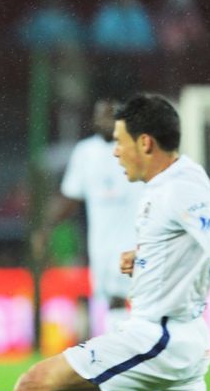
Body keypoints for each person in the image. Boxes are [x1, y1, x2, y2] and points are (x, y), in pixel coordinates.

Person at [9, 94, 210, 391]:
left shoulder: (179, 188)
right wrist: (144, 257)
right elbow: (186, 242)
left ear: (145, 143)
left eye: (120, 142)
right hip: (174, 340)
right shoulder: (172, 179)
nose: (116, 152)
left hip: (159, 338)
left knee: (34, 386)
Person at [34, 99, 141, 335]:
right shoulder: (85, 152)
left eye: (110, 116)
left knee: (119, 299)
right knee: (109, 300)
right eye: (101, 115)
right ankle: (122, 351)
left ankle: (122, 354)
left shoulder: (136, 149)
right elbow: (70, 197)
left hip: (133, 243)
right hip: (99, 245)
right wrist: (46, 228)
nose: (105, 121)